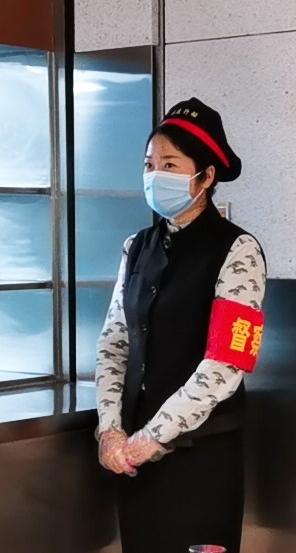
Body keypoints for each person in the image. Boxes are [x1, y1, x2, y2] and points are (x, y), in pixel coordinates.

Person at [95, 97, 266, 553]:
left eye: (170, 165)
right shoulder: (137, 247)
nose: (156, 175)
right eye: (149, 164)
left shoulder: (237, 250)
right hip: (133, 459)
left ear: (206, 177)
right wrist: (110, 430)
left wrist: (153, 438)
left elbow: (227, 363)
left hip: (201, 459)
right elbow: (114, 343)